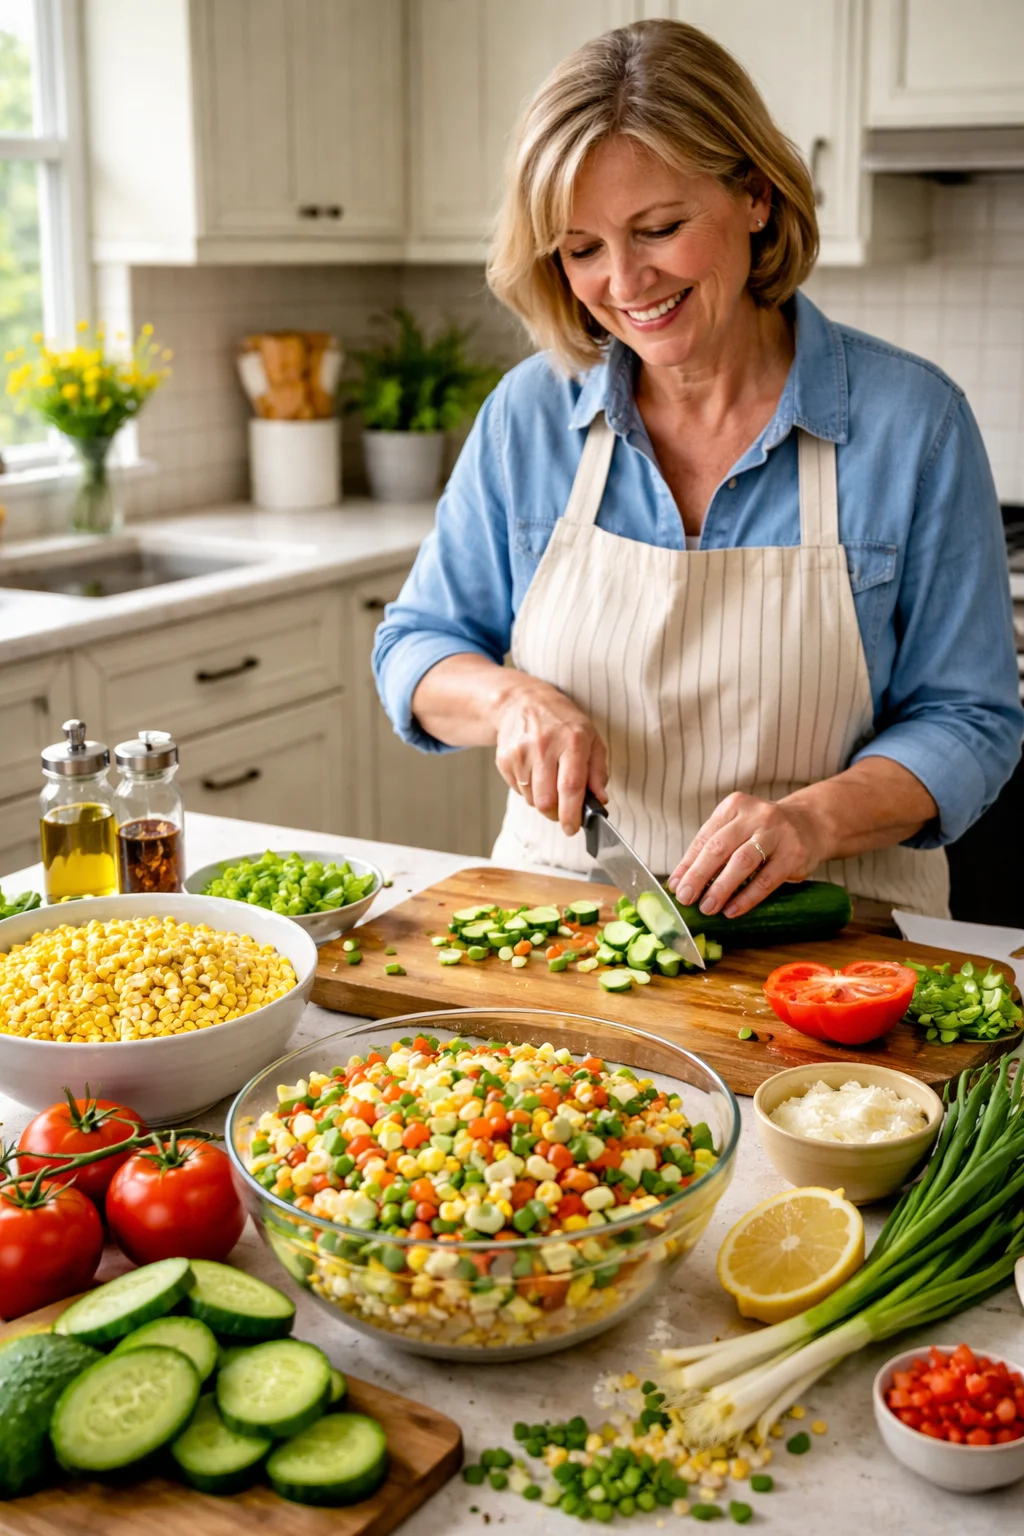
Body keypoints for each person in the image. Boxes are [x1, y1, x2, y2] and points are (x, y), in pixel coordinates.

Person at [373, 19, 1022, 920]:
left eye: (660, 228)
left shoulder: (914, 425)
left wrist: (811, 822)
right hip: (563, 927)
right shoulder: (530, 414)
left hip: (842, 949)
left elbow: (972, 721)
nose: (625, 282)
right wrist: (509, 700)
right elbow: (414, 648)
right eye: (582, 248)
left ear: (756, 195)